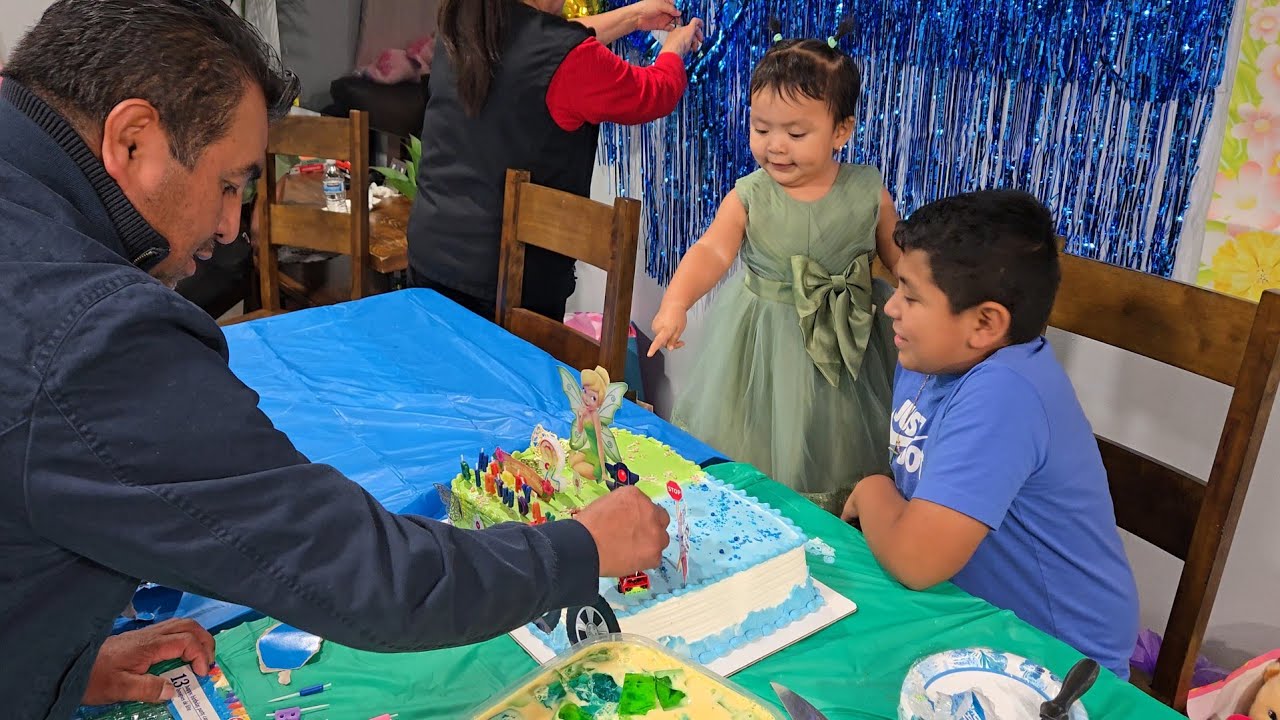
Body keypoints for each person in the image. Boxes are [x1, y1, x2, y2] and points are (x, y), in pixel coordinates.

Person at [0, 2, 671, 716]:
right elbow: (362, 574)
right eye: (230, 184)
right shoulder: (88, 333)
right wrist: (577, 550)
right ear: (133, 140)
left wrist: (46, 653)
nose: (231, 228)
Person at [841, 190, 1139, 678]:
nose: (892, 307)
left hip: (1058, 665)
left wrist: (873, 490)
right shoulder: (931, 356)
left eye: (911, 296)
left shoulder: (1006, 391)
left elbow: (917, 560)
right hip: (968, 616)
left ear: (985, 324)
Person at [647, 24, 901, 512]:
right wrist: (676, 302)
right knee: (767, 446)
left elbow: (900, 257)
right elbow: (712, 252)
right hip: (763, 347)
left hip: (850, 348)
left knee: (837, 445)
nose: (775, 146)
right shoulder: (751, 194)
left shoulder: (869, 190)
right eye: (760, 129)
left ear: (841, 131)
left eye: (796, 133)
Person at [407, 0, 705, 322]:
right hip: (505, 288)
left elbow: (556, 43)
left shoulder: (465, 21)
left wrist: (633, 17)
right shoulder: (563, 55)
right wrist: (674, 50)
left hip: (431, 258)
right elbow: (652, 93)